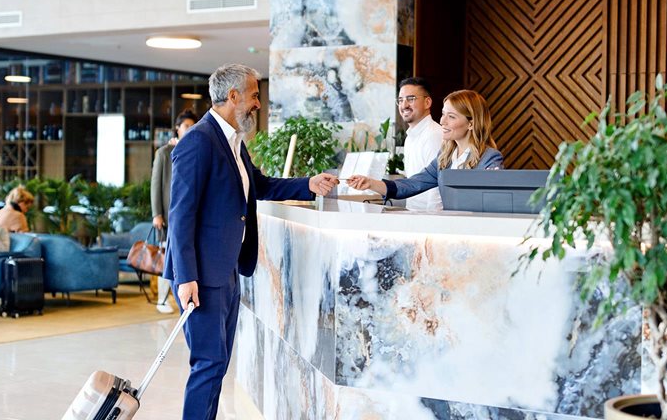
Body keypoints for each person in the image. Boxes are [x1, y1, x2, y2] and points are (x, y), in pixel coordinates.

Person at [163, 63, 339, 420]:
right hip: (201, 276)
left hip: (226, 270)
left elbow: (259, 185)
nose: (258, 103)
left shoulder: (232, 141)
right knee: (208, 364)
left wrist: (308, 184)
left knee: (217, 364)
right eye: (254, 95)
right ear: (233, 96)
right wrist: (186, 278)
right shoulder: (198, 141)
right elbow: (180, 216)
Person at [348, 89, 504, 201]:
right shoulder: (445, 157)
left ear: (471, 124)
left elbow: (493, 200)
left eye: (451, 116)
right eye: (443, 114)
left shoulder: (490, 158)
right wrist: (371, 183)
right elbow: (412, 184)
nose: (442, 121)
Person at [151, 109, 198, 314]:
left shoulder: (196, 150)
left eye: (192, 126)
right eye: (186, 126)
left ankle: (177, 297)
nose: (189, 130)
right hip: (168, 216)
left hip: (188, 216)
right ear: (177, 128)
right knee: (166, 257)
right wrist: (157, 214)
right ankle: (162, 299)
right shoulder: (164, 153)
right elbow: (156, 184)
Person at [397, 77, 444, 210]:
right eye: (400, 100)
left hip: (428, 216)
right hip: (413, 214)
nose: (404, 105)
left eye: (410, 99)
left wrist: (433, 219)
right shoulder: (410, 137)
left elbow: (437, 185)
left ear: (427, 102)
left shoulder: (434, 134)